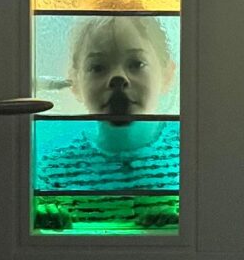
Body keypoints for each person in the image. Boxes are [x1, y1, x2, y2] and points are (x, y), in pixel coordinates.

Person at [34, 14, 180, 231]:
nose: (118, 78)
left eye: (136, 64)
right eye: (98, 67)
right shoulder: (50, 167)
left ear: (167, 75)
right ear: (75, 82)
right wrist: (43, 216)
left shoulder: (189, 154)